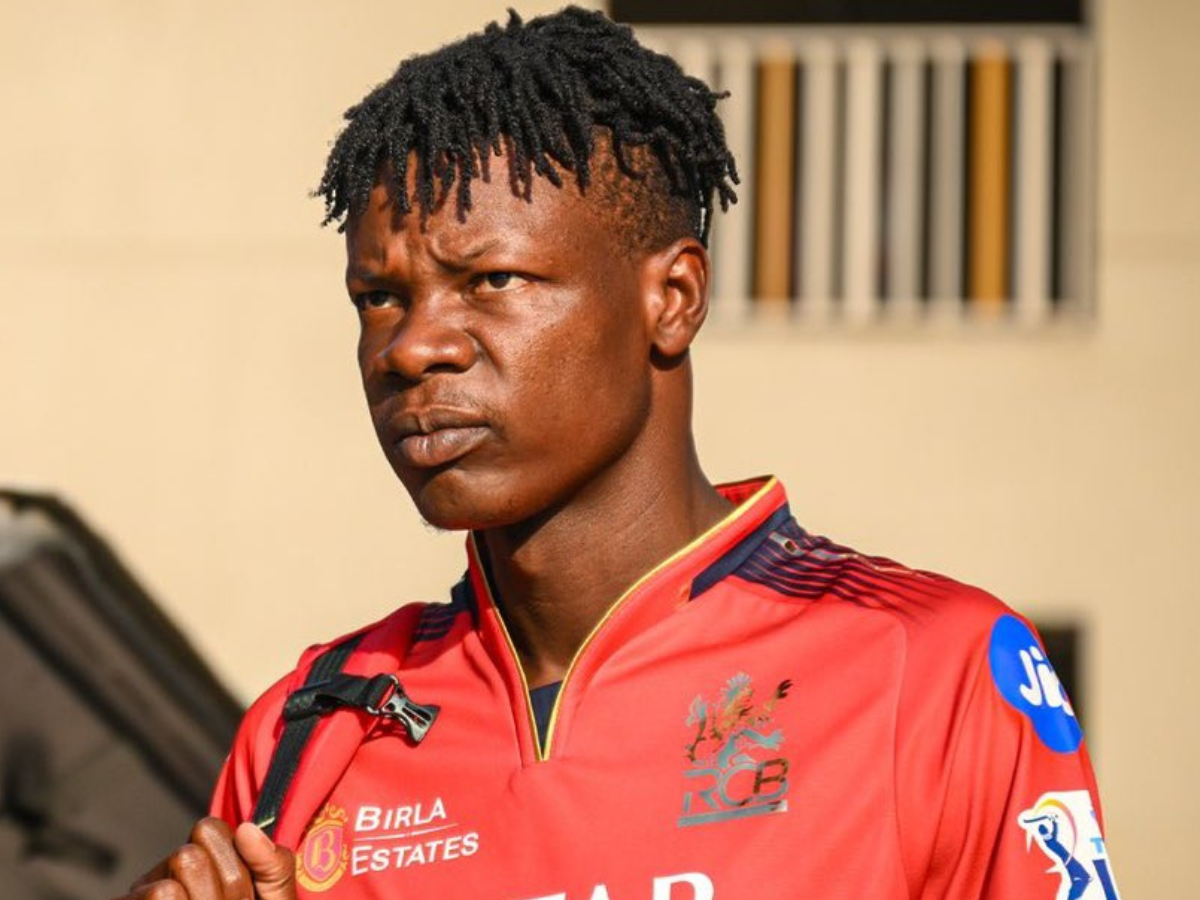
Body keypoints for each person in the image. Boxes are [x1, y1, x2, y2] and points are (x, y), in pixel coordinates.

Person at [119, 7, 1119, 900]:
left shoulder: (928, 666)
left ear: (672, 298)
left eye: (493, 280)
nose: (413, 347)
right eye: (379, 297)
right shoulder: (312, 728)